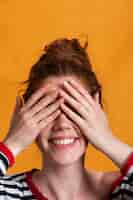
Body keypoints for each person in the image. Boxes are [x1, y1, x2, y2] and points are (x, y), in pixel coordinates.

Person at [0, 38, 133, 200]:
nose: (62, 124)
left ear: (96, 111)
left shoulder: (123, 191)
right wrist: (13, 143)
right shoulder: (9, 193)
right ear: (27, 117)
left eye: (73, 109)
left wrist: (107, 140)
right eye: (49, 109)